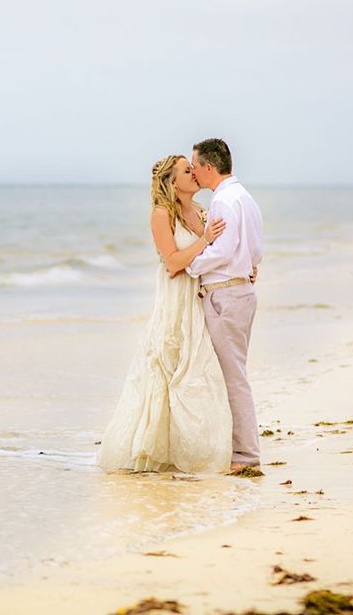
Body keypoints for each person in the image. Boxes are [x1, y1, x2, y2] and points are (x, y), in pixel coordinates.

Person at [96, 155, 233, 474]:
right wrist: (204, 241)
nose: (195, 173)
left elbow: (212, 254)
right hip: (174, 299)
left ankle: (193, 448)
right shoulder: (161, 214)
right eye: (187, 170)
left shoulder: (202, 211)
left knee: (197, 370)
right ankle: (153, 449)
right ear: (173, 182)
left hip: (198, 297)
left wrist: (243, 267)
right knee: (165, 366)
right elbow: (172, 262)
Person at [187, 138, 263, 473]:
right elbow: (254, 251)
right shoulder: (245, 197)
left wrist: (191, 264)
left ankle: (245, 455)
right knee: (235, 374)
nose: (193, 172)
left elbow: (222, 251)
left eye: (195, 165)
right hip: (241, 293)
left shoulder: (222, 202)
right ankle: (235, 448)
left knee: (232, 378)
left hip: (225, 296)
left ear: (208, 167)